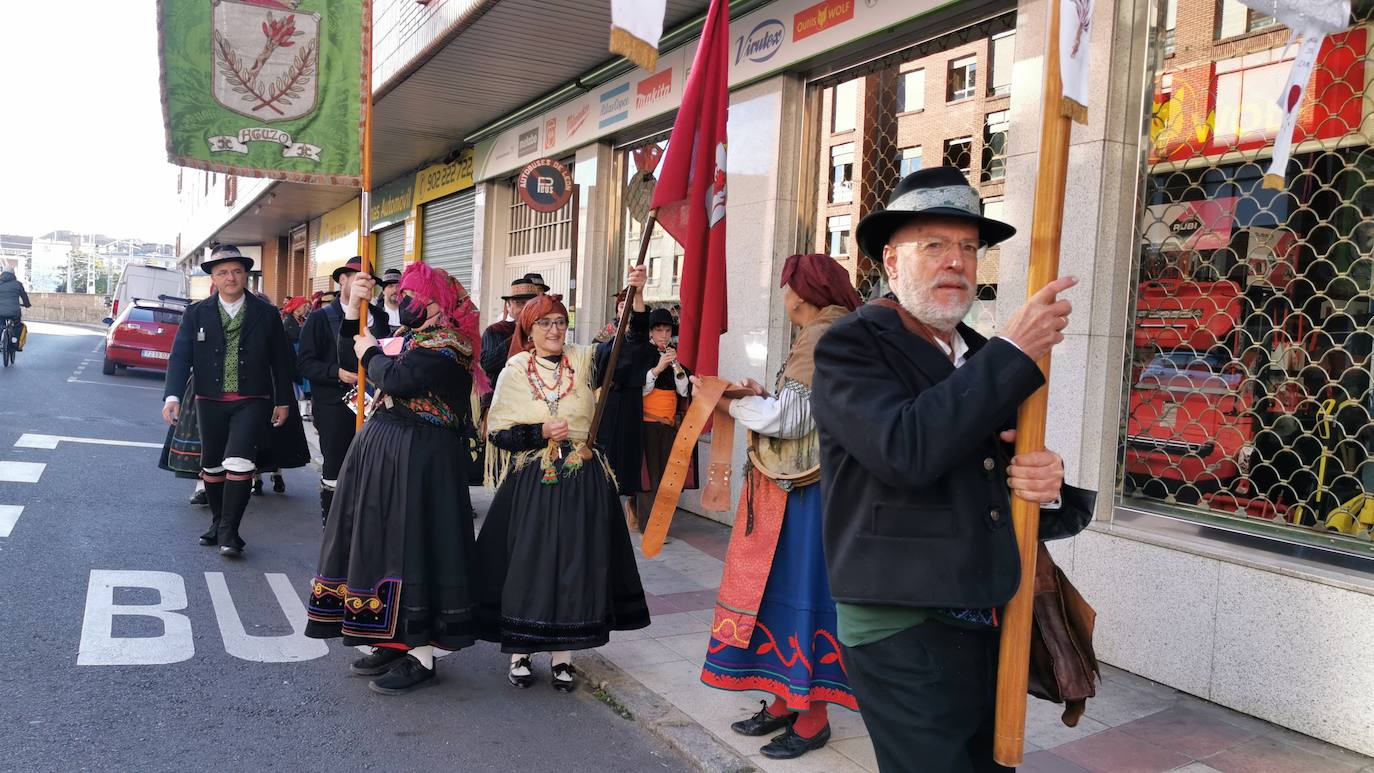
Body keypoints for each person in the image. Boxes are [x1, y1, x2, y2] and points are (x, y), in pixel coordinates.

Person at [810, 167, 1093, 773]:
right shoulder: (850, 346)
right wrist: (1017, 352)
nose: (956, 262)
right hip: (899, 623)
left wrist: (1043, 487)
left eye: (968, 246)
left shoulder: (985, 357)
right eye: (933, 245)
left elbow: (1005, 475)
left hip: (989, 614)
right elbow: (904, 450)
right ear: (891, 261)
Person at [699, 253, 862, 760]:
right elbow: (805, 410)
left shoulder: (823, 333)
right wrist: (764, 400)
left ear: (805, 291)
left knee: (801, 594)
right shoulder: (838, 328)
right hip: (811, 488)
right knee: (784, 594)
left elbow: (791, 422)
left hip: (808, 494)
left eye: (787, 286)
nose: (783, 296)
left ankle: (811, 716)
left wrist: (726, 402)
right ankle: (785, 699)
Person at [305, 263, 488, 696]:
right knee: (383, 545)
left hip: (424, 462)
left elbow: (397, 378)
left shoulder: (451, 345)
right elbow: (352, 354)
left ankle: (421, 653)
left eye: (412, 295)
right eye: (400, 293)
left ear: (436, 303)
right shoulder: (412, 338)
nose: (403, 301)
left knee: (415, 548)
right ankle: (394, 638)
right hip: (387, 453)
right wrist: (352, 308)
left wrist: (369, 350)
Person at [477, 267, 651, 693]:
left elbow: (629, 352)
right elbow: (497, 432)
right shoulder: (515, 370)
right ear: (528, 329)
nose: (555, 330)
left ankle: (563, 657)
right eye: (545, 323)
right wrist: (538, 433)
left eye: (560, 322)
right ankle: (520, 653)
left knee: (576, 563)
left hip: (582, 475)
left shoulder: (585, 360)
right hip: (534, 479)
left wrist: (638, 296)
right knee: (530, 563)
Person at [161, 245, 294, 558]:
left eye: (236, 271)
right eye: (223, 272)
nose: (230, 277)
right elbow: (180, 356)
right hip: (209, 399)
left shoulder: (267, 314)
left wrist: (284, 400)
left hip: (253, 399)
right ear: (213, 278)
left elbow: (281, 361)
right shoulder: (196, 313)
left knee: (240, 462)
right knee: (212, 466)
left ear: (246, 274)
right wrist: (172, 395)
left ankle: (230, 532)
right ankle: (220, 522)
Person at [297, 257, 391, 527]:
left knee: (371, 467)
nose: (365, 285)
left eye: (369, 280)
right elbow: (304, 363)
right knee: (336, 466)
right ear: (342, 280)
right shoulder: (319, 318)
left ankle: (363, 524)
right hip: (333, 404)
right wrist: (335, 372)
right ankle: (333, 523)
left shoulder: (381, 317)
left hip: (374, 405)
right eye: (358, 278)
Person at [631, 307, 696, 532]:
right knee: (649, 476)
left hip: (669, 425)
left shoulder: (674, 356)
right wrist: (658, 368)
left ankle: (660, 521)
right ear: (650, 333)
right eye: (659, 330)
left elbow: (684, 392)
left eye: (667, 330)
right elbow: (639, 390)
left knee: (667, 475)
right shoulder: (643, 355)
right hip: (647, 424)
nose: (664, 335)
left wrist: (676, 367)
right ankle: (648, 525)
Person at [594, 288, 654, 520]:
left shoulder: (637, 338)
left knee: (626, 454)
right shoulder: (605, 337)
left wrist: (638, 297)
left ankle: (625, 502)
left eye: (628, 307)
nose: (624, 310)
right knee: (604, 452)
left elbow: (637, 338)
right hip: (606, 402)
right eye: (621, 306)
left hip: (629, 401)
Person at [479, 273, 547, 395]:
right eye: (519, 303)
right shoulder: (495, 331)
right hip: (500, 400)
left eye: (530, 303)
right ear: (509, 306)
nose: (525, 308)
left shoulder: (545, 331)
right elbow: (488, 364)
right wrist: (518, 335)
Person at [282, 296, 312, 420]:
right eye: (304, 307)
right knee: (298, 381)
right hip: (293, 353)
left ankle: (305, 410)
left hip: (304, 353)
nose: (306, 309)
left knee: (305, 381)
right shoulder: (288, 322)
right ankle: (301, 410)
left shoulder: (303, 320)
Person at [0, 269, 32, 351]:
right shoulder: (18, 284)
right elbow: (24, 296)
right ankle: (15, 344)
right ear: (13, 275)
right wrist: (27, 304)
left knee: (0, 325)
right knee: (17, 326)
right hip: (14, 311)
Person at [380, 268, 403, 334]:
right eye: (390, 286)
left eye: (398, 286)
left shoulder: (410, 312)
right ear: (383, 291)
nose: (395, 290)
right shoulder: (375, 314)